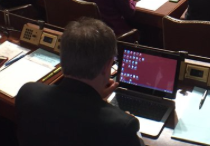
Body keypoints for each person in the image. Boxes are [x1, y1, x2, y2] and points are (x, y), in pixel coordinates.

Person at [16, 17, 143, 146]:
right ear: (107, 66)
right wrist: (134, 133)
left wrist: (95, 98)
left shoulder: (28, 93)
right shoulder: (121, 125)